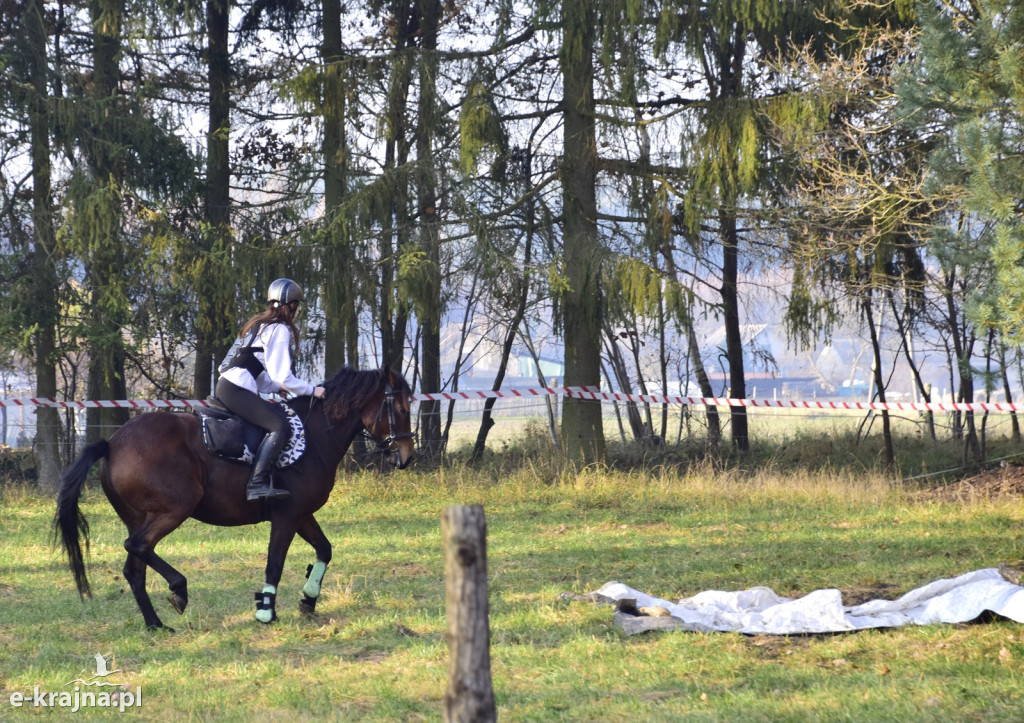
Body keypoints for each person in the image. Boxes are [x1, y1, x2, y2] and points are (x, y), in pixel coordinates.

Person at [216, 278, 325, 501]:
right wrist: (312, 390)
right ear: (292, 305)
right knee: (279, 426)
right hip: (236, 390)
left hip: (227, 386)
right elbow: (282, 376)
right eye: (297, 305)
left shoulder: (259, 325)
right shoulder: (279, 329)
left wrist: (276, 387)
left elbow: (256, 373)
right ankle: (256, 484)